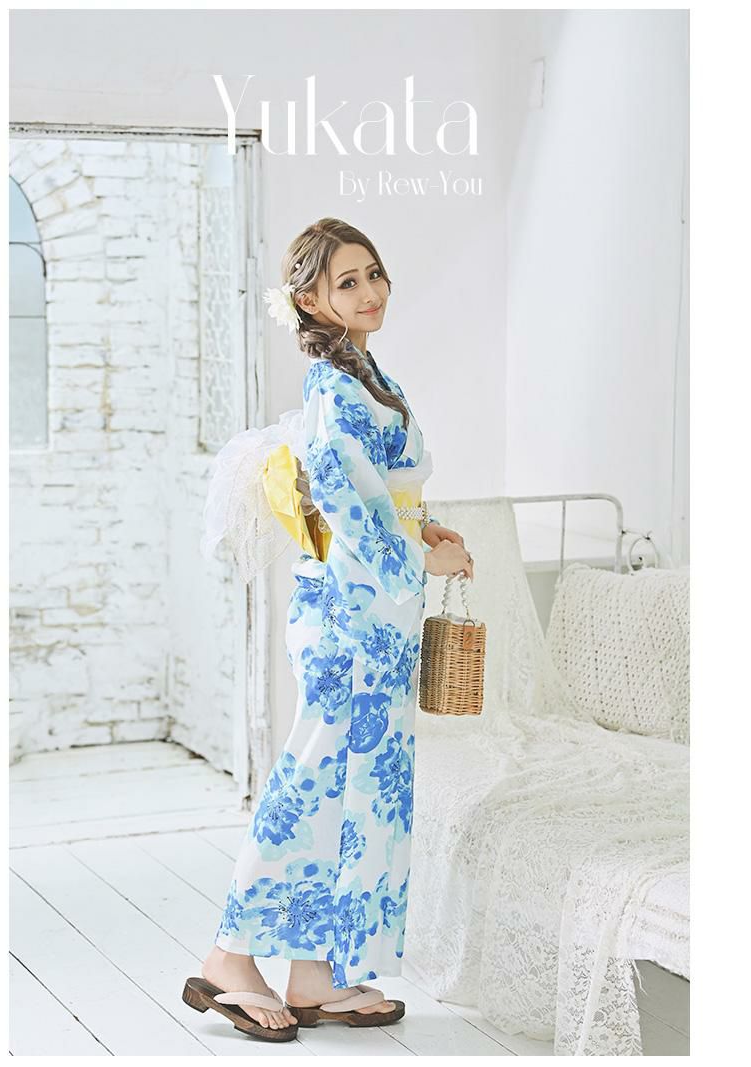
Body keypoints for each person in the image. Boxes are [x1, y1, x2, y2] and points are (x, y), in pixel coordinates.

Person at [183, 218, 474, 1041]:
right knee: (311, 784)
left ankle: (315, 974)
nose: (370, 291)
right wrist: (420, 559)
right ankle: (229, 955)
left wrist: (424, 529)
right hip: (350, 617)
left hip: (376, 616)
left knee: (353, 793)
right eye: (348, 282)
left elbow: (386, 497)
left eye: (374, 273)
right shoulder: (334, 390)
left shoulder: (367, 375)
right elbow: (348, 514)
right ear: (309, 300)